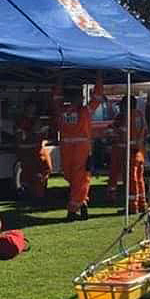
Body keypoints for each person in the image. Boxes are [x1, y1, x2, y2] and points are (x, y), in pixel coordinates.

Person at [52, 78, 103, 221]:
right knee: (71, 178)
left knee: (80, 179)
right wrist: (59, 80)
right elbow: (56, 98)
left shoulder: (84, 111)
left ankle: (72, 210)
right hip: (68, 150)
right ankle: (83, 203)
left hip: (80, 150)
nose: (79, 99)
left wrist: (99, 78)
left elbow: (97, 98)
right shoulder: (64, 110)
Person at [15, 100, 52, 200]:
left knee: (44, 170)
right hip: (28, 153)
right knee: (29, 175)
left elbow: (42, 133)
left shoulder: (37, 120)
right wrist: (34, 133)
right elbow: (21, 138)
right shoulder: (22, 121)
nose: (32, 110)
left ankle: (38, 194)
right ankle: (31, 194)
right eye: (30, 107)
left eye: (33, 108)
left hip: (37, 152)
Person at [118, 97, 149, 214]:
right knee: (139, 179)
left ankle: (132, 206)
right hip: (140, 151)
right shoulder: (140, 115)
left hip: (131, 150)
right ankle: (142, 204)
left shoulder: (128, 117)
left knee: (132, 180)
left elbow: (124, 133)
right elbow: (145, 130)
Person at [105, 102, 126, 203]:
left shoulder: (127, 117)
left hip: (124, 149)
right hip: (119, 149)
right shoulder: (120, 117)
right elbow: (112, 129)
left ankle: (115, 194)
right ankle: (111, 195)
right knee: (114, 173)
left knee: (126, 174)